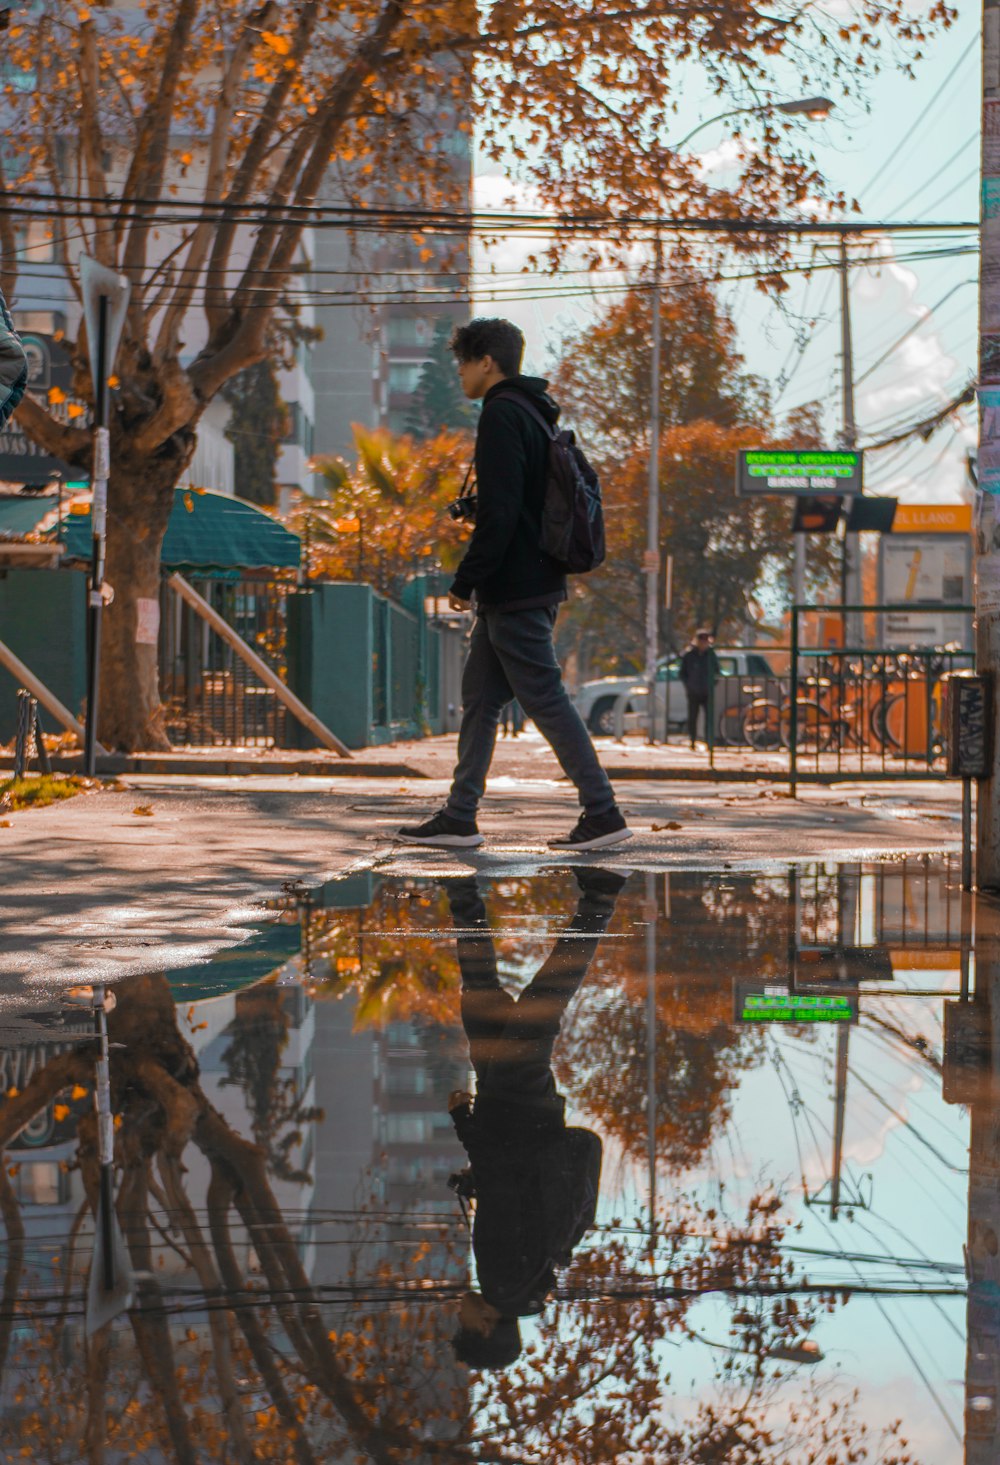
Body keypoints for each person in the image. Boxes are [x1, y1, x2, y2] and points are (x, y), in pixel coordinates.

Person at [397, 318, 630, 852]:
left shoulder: (502, 414)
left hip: (517, 585)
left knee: (545, 698)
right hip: (528, 581)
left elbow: (501, 516)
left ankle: (603, 812)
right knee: (480, 699)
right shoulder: (533, 414)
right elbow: (517, 503)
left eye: (462, 362)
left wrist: (465, 580)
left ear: (486, 363)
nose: (457, 372)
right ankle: (460, 816)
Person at [445, 868, 626, 1369]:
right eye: (463, 1326)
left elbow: (516, 1190)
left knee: (482, 994)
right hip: (514, 1106)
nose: (457, 1314)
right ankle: (601, 896)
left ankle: (461, 891)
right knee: (543, 999)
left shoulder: (528, 1281)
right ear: (485, 1327)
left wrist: (472, 1182)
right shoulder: (503, 1279)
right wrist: (464, 1122)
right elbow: (506, 1181)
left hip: (522, 1109)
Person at [679, 628, 720, 749]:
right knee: (693, 717)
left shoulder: (711, 655)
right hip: (693, 692)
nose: (703, 643)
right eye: (701, 641)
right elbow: (682, 673)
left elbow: (717, 672)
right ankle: (692, 740)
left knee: (709, 717)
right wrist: (689, 685)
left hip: (707, 692)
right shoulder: (689, 656)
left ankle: (709, 741)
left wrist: (712, 684)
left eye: (706, 641)